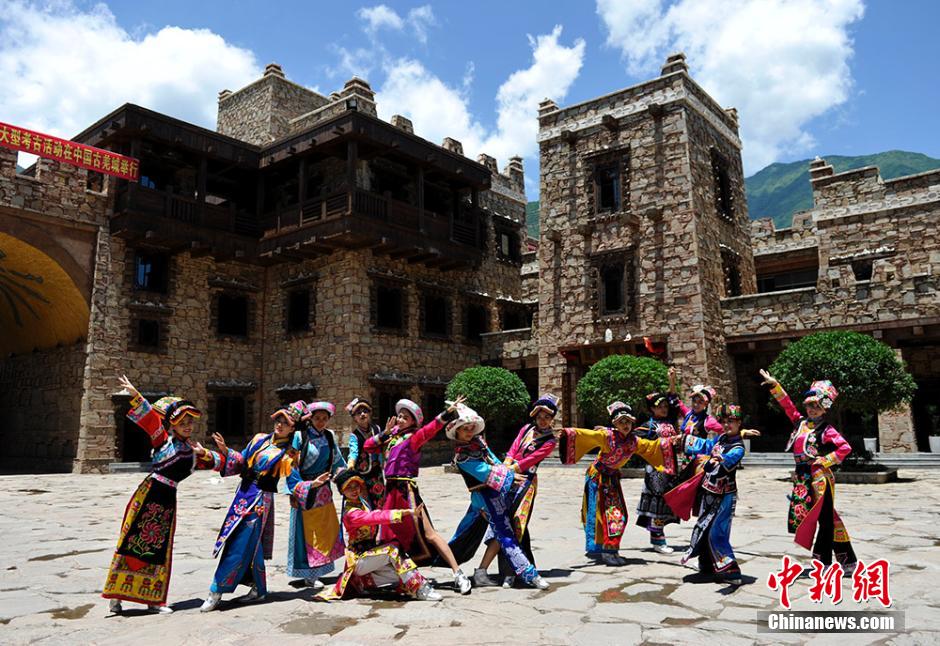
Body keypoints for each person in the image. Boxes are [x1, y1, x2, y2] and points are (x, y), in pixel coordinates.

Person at [104, 376, 223, 614]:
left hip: (167, 501)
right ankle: (116, 596)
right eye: (182, 422)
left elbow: (218, 462)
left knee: (160, 548)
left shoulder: (192, 451)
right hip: (149, 495)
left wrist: (220, 452)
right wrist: (136, 396)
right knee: (130, 543)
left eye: (190, 422)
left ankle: (153, 599)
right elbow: (150, 420)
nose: (187, 426)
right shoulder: (162, 441)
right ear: (172, 425)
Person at [199, 402, 305, 612]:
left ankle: (216, 590)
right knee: (251, 544)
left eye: (286, 423)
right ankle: (259, 587)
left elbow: (294, 480)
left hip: (259, 500)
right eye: (278, 420)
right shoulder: (260, 439)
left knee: (239, 543)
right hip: (243, 493)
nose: (280, 425)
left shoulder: (289, 454)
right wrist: (225, 450)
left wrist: (309, 488)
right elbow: (241, 461)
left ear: (293, 428)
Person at [363, 396, 473, 594]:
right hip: (390, 492)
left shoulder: (414, 438)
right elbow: (368, 446)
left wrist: (447, 414)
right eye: (399, 416)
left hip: (406, 491)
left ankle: (458, 573)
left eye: (405, 417)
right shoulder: (392, 438)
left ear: (413, 421)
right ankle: (403, 577)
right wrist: (385, 433)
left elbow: (431, 429)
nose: (400, 419)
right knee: (389, 537)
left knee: (429, 533)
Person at [760, 370, 858, 572]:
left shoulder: (827, 429)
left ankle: (823, 562)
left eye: (817, 406)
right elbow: (787, 405)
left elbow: (845, 447)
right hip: (802, 477)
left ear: (824, 409)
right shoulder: (800, 423)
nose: (812, 409)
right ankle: (847, 560)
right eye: (810, 405)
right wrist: (775, 385)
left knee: (825, 519)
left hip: (819, 478)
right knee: (823, 518)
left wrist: (825, 460)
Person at [446, 403, 550, 590]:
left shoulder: (478, 443)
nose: (469, 432)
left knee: (501, 532)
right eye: (465, 429)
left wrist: (506, 469)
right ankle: (530, 575)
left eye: (471, 428)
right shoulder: (462, 456)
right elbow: (484, 472)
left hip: (497, 493)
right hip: (484, 498)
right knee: (505, 534)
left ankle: (481, 572)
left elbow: (493, 459)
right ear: (457, 431)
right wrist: (510, 476)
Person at [558, 401, 674, 565]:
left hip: (612, 479)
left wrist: (671, 442)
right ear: (615, 424)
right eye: (621, 422)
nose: (625, 425)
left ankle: (609, 549)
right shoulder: (607, 437)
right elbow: (585, 435)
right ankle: (607, 551)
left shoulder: (634, 441)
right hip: (597, 478)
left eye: (628, 422)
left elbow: (651, 447)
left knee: (617, 515)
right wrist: (567, 434)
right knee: (606, 515)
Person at [664, 404, 759, 585]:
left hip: (724, 495)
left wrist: (719, 458)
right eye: (724, 421)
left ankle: (731, 571)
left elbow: (730, 459)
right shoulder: (721, 438)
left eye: (731, 421)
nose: (727, 425)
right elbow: (706, 445)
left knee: (717, 532)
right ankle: (707, 565)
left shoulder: (738, 447)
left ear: (739, 423)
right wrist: (684, 439)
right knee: (704, 527)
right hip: (708, 491)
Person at [471, 394, 558, 588]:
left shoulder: (550, 441)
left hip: (525, 483)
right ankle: (509, 572)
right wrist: (505, 467)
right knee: (503, 523)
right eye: (540, 416)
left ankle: (510, 573)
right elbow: (513, 449)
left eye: (547, 417)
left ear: (552, 419)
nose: (543, 420)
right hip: (507, 479)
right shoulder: (526, 429)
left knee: (518, 524)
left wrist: (508, 471)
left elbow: (530, 460)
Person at [318, 469, 440, 601]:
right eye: (349, 487)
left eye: (356, 486)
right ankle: (421, 589)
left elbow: (377, 513)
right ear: (342, 491)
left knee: (402, 570)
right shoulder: (351, 513)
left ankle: (360, 583)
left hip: (369, 559)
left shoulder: (363, 503)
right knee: (392, 550)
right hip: (358, 560)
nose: (354, 490)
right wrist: (406, 512)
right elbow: (376, 517)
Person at [284, 401, 346, 590]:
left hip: (323, 491)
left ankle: (319, 570)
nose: (320, 422)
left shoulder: (329, 436)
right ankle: (309, 574)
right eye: (317, 418)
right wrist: (297, 489)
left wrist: (347, 479)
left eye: (324, 419)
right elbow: (290, 464)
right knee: (306, 532)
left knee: (323, 532)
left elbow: (337, 461)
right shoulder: (300, 437)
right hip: (306, 490)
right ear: (310, 419)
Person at [634, 391, 681, 554]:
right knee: (657, 506)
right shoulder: (649, 425)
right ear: (652, 409)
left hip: (670, 469)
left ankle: (658, 537)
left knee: (666, 505)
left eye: (665, 406)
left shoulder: (670, 422)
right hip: (656, 471)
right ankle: (658, 541)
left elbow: (677, 404)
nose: (664, 409)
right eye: (660, 406)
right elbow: (633, 439)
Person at [344, 397, 386, 508]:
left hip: (376, 472)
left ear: (369, 414)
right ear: (355, 418)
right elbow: (353, 451)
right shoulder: (354, 435)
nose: (362, 414)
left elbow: (383, 445)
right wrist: (351, 463)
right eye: (358, 413)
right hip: (362, 473)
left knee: (380, 499)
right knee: (365, 502)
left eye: (365, 411)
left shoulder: (377, 429)